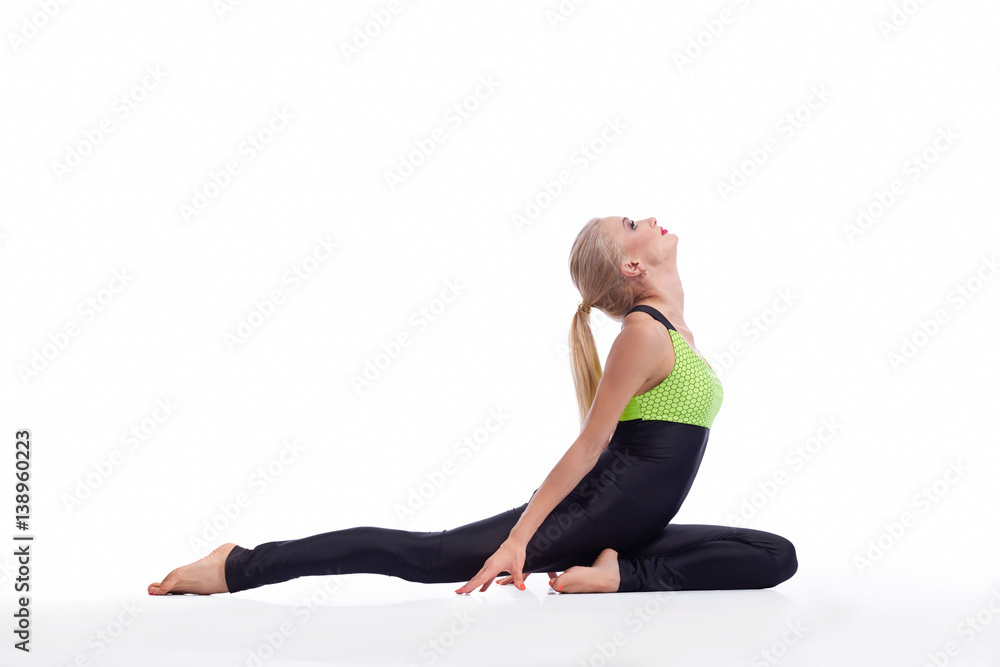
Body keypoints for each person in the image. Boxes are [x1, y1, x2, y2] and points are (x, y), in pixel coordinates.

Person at [148, 216, 797, 596]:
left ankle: (617, 574)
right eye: (631, 225)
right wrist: (519, 540)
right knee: (428, 557)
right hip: (592, 511)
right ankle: (237, 565)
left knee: (774, 556)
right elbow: (590, 447)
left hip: (630, 527)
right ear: (631, 265)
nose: (648, 219)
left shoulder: (676, 331)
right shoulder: (643, 333)